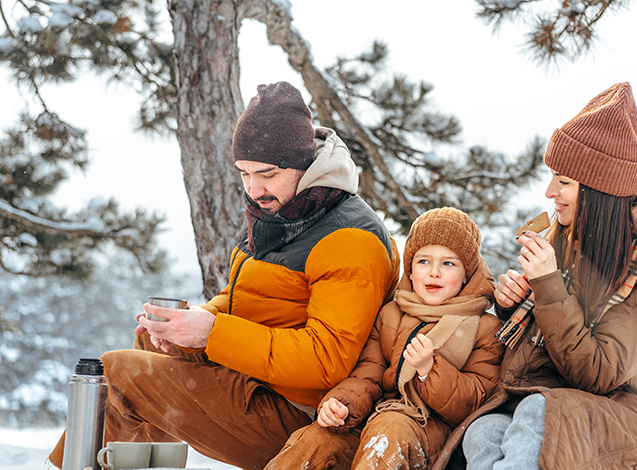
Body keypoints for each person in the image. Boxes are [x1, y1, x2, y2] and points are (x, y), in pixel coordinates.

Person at [47, 81, 401, 470]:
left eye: (266, 173)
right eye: (244, 174)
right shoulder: (283, 210)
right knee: (149, 339)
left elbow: (326, 359)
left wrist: (211, 333)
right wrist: (190, 322)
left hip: (306, 414)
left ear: (304, 164)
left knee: (118, 373)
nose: (254, 189)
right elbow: (248, 297)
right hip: (259, 383)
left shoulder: (349, 239)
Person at [431, 82, 637, 470]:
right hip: (535, 391)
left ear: (600, 189)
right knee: (482, 432)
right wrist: (511, 304)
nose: (550, 191)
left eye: (564, 181)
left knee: (539, 414)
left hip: (612, 411)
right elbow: (542, 333)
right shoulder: (564, 235)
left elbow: (600, 373)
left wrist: (548, 286)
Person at [265, 207, 505, 469]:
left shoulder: (484, 328)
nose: (434, 272)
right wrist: (344, 403)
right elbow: (368, 373)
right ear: (410, 271)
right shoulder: (391, 313)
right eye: (423, 261)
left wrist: (429, 369)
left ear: (467, 274)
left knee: (389, 430)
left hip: (427, 432)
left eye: (448, 263)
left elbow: (474, 401)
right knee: (317, 439)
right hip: (372, 417)